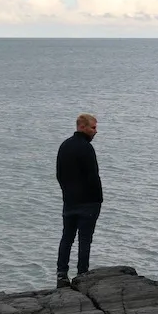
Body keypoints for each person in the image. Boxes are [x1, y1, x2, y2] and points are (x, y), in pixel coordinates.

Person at [55, 113, 103, 288]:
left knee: (67, 237)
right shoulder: (86, 148)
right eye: (93, 127)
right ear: (82, 127)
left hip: (69, 201)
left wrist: (67, 193)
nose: (95, 131)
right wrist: (99, 199)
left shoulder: (64, 146)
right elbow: (93, 176)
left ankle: (61, 275)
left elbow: (59, 175)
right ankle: (82, 274)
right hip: (88, 202)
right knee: (84, 239)